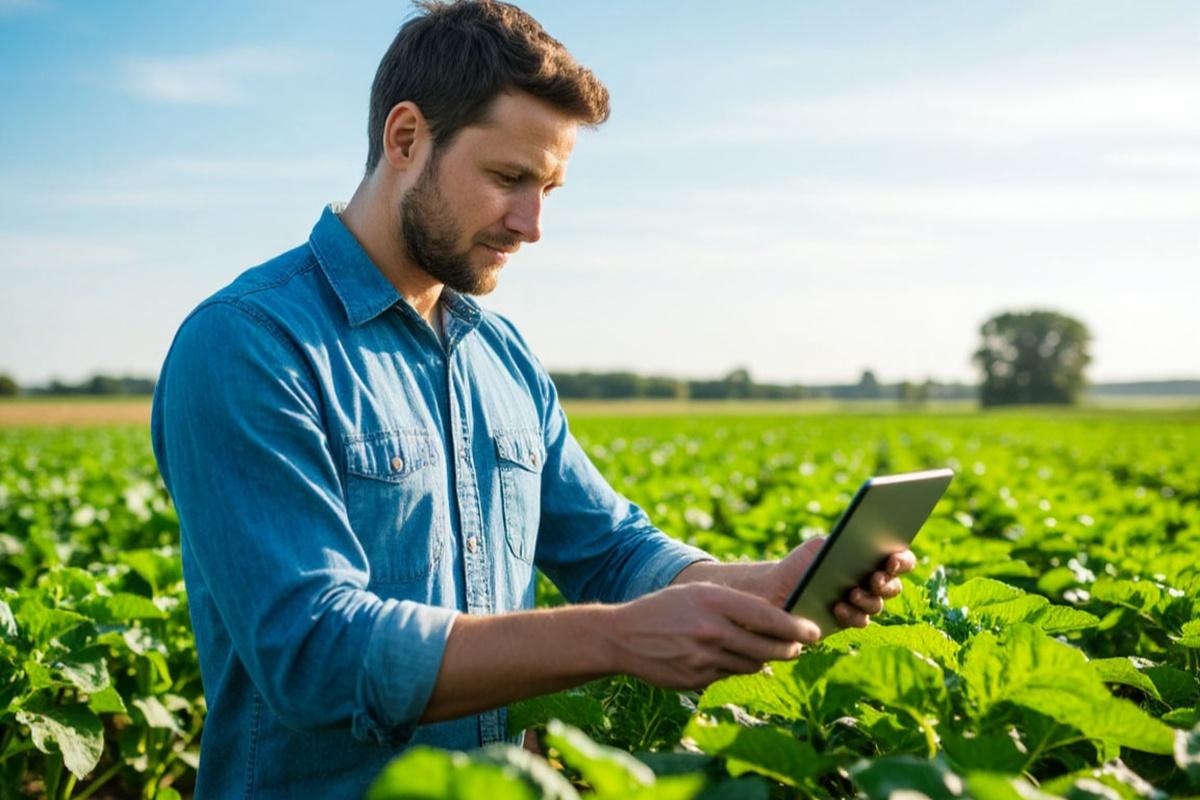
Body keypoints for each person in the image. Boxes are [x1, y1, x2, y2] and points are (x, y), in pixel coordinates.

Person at [150, 2, 915, 797]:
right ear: (406, 138)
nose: (532, 224)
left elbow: (612, 551)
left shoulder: (499, 353)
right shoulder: (248, 343)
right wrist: (613, 640)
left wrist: (756, 586)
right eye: (508, 178)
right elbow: (311, 652)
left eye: (549, 186)